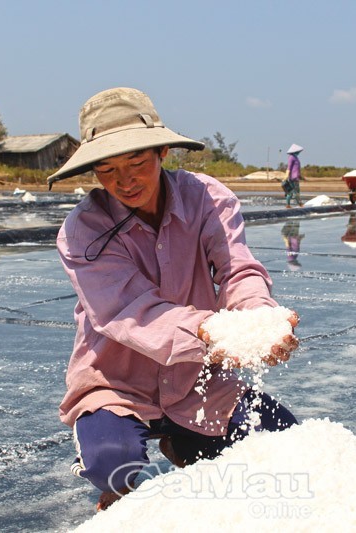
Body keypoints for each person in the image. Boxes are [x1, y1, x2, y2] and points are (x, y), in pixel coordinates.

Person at [46, 87, 299, 511]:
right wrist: (216, 332)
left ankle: (187, 445)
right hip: (117, 378)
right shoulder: (82, 231)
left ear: (162, 151)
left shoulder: (207, 199)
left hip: (196, 376)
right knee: (111, 463)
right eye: (106, 170)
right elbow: (129, 312)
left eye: (137, 162)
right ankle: (115, 482)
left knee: (287, 441)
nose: (124, 180)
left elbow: (238, 270)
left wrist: (261, 319)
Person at [285, 143, 304, 208]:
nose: (299, 152)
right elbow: (289, 168)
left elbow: (297, 168)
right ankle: (299, 204)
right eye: (298, 151)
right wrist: (286, 176)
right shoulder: (291, 157)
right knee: (294, 192)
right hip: (292, 178)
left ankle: (290, 205)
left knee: (295, 191)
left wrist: (301, 176)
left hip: (296, 177)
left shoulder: (296, 157)